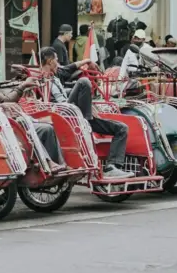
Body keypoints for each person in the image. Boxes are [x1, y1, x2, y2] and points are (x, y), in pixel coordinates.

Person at [0, 53, 68, 173]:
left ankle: (59, 164)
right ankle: (47, 162)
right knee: (24, 125)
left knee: (47, 129)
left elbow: (7, 99)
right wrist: (1, 107)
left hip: (6, 124)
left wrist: (23, 86)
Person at [39, 47, 128, 178]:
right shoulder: (40, 79)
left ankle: (112, 167)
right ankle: (87, 120)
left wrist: (86, 61)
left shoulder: (57, 74)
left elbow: (70, 67)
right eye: (56, 60)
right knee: (84, 81)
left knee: (122, 128)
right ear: (50, 61)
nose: (58, 63)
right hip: (64, 114)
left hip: (77, 115)